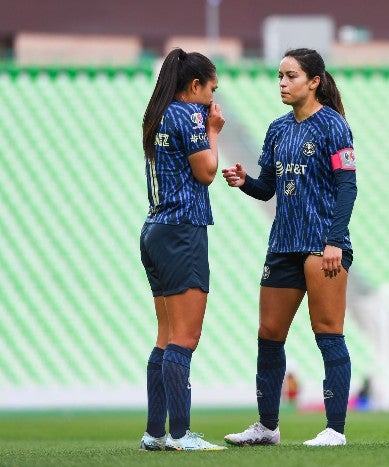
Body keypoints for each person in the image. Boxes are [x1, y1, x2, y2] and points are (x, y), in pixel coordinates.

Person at [222, 48, 357, 447]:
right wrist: (245, 182)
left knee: (328, 332)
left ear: (314, 82)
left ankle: (335, 430)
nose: (282, 83)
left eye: (291, 76)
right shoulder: (277, 129)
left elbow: (348, 186)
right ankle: (267, 427)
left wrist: (334, 241)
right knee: (269, 334)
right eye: (280, 76)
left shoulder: (334, 126)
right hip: (283, 243)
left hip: (321, 245)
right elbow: (268, 188)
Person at [139, 48, 226, 451]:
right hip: (182, 231)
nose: (212, 98)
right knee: (185, 337)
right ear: (194, 86)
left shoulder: (157, 115)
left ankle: (155, 432)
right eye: (211, 89)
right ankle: (180, 434)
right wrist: (214, 131)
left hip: (154, 229)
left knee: (165, 336)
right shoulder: (189, 114)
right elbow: (206, 172)